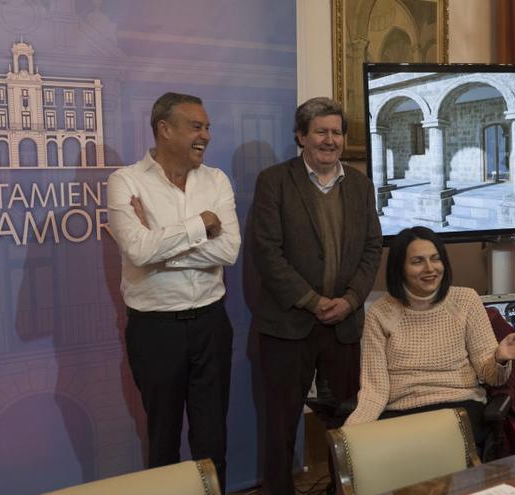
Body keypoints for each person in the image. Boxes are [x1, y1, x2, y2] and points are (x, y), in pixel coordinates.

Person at [107, 92, 240, 490]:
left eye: (207, 127)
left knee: (212, 439)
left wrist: (160, 245)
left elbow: (229, 250)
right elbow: (137, 248)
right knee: (162, 441)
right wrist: (202, 224)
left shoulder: (216, 180)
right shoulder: (125, 181)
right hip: (155, 331)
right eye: (196, 127)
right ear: (164, 129)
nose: (206, 136)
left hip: (211, 325)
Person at [251, 97, 383, 495]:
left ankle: (341, 491)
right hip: (289, 326)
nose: (331, 140)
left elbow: (372, 247)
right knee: (280, 426)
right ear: (301, 136)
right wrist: (311, 300)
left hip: (343, 324)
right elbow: (266, 252)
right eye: (321, 132)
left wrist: (352, 299)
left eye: (337, 132)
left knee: (346, 421)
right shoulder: (274, 181)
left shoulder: (360, 185)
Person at [345, 226, 515, 446]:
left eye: (436, 259)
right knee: (374, 453)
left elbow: (491, 376)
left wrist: (500, 357)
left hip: (458, 407)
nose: (430, 268)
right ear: (399, 268)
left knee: (423, 450)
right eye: (417, 261)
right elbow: (375, 389)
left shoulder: (466, 300)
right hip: (400, 411)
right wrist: (349, 436)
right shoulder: (379, 312)